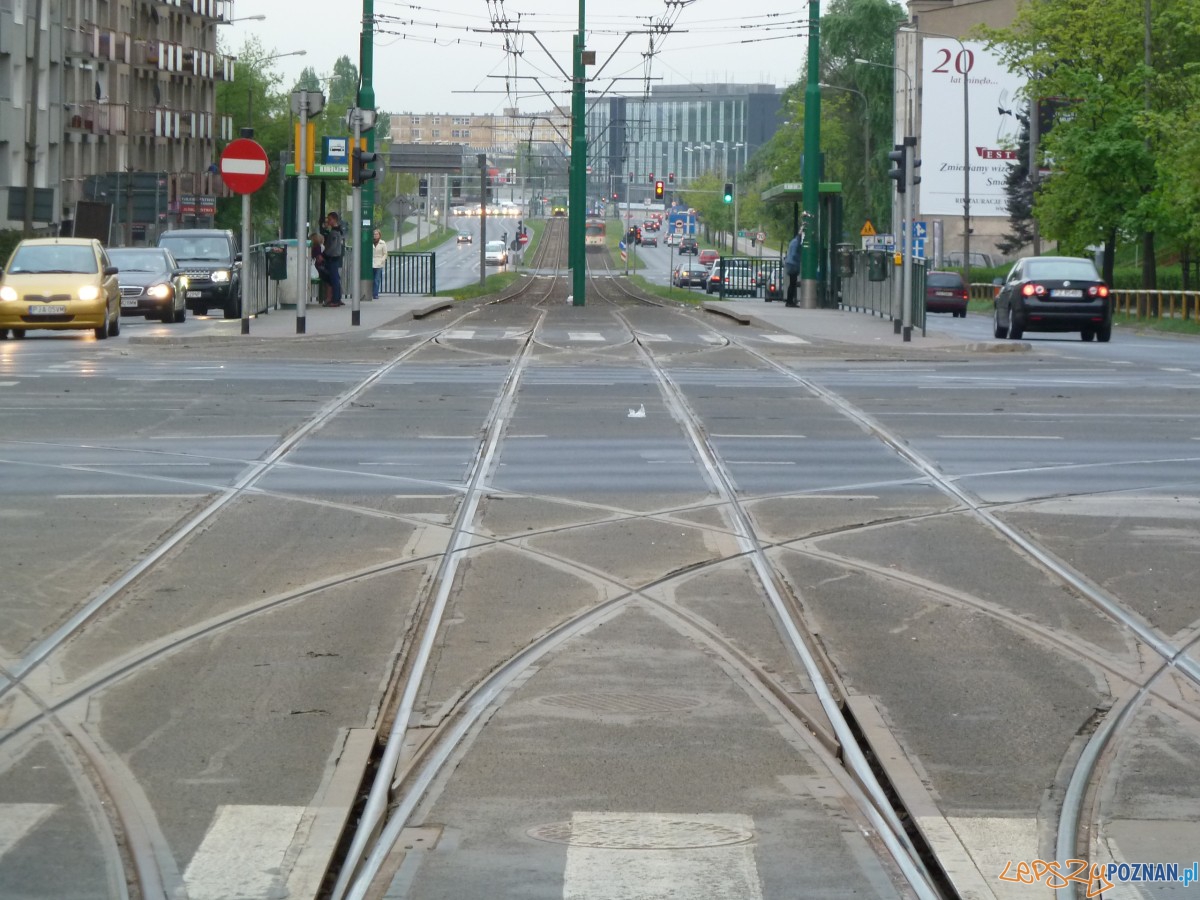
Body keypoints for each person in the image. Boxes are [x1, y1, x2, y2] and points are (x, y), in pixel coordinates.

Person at [322, 211, 345, 304]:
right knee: (335, 278)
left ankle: (335, 299)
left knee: (334, 278)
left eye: (330, 219)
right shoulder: (337, 231)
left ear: (335, 220)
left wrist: (325, 254)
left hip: (332, 257)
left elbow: (332, 246)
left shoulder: (335, 232)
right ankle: (337, 297)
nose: (328, 221)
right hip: (335, 257)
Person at [310, 233, 338, 306]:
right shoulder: (320, 247)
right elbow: (320, 259)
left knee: (329, 279)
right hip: (320, 268)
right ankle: (329, 298)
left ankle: (328, 298)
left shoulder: (313, 248)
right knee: (330, 280)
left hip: (316, 268)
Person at [784, 231, 802, 307]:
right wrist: (800, 259)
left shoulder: (793, 241)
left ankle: (790, 301)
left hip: (790, 263)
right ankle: (789, 301)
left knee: (792, 284)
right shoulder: (796, 242)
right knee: (792, 284)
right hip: (793, 264)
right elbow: (794, 254)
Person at [371, 229, 387, 300]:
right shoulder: (371, 242)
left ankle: (375, 294)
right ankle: (370, 293)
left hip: (379, 263)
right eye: (374, 234)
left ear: (379, 235)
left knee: (376, 280)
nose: (375, 235)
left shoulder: (382, 243)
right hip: (372, 262)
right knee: (371, 279)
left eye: (377, 234)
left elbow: (385, 253)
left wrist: (382, 260)